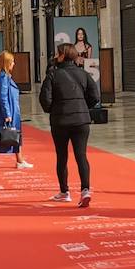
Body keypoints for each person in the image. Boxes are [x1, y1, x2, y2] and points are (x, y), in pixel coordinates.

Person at [39, 43, 100, 208]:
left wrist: (54, 109)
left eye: (57, 53)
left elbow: (45, 100)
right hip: (81, 121)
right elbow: (95, 96)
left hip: (60, 121)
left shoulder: (52, 75)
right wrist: (82, 107)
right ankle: (85, 190)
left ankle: (64, 192)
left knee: (62, 156)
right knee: (81, 155)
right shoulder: (83, 74)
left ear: (62, 56)